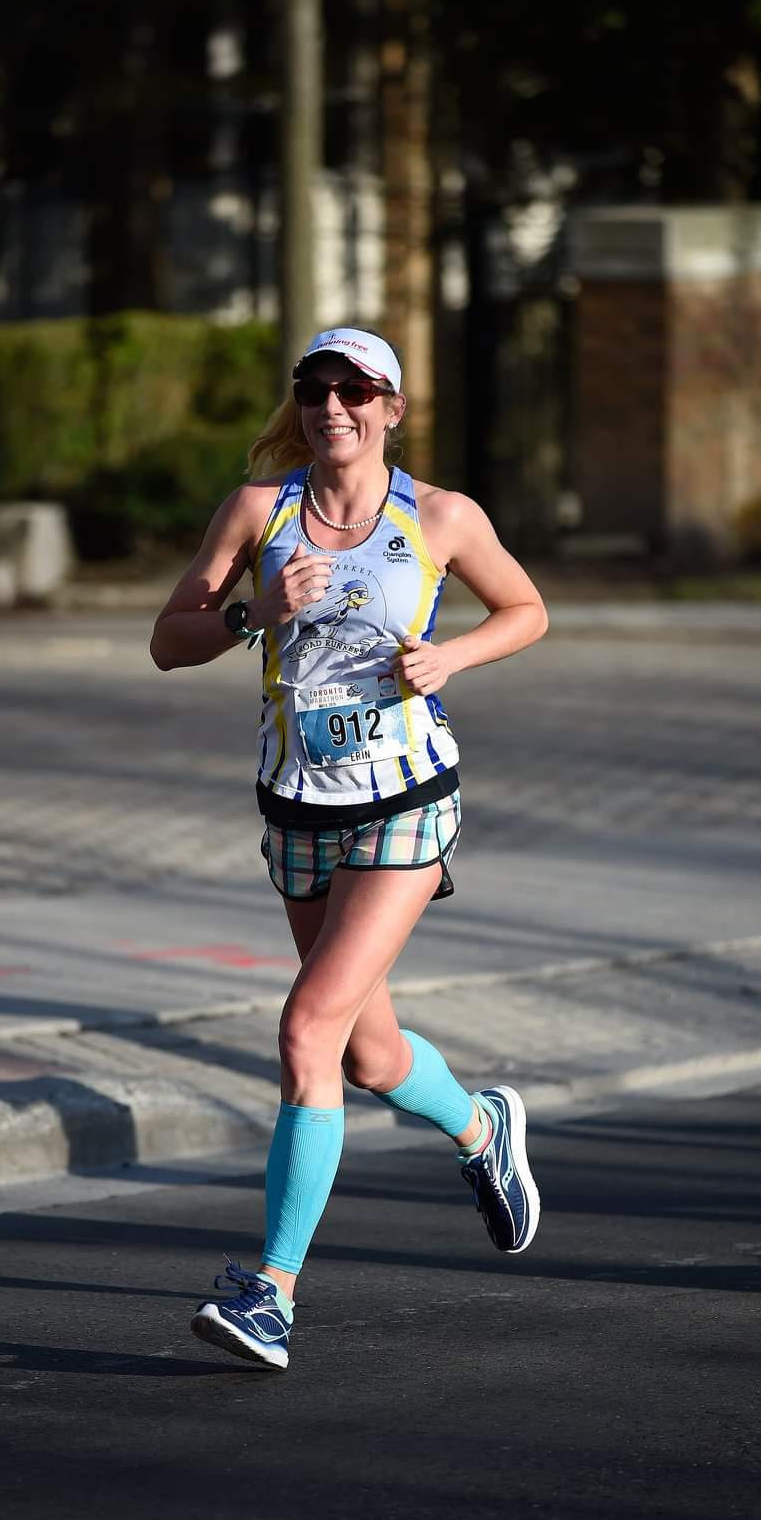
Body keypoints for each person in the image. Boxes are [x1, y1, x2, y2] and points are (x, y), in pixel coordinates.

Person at [151, 326, 549, 1370]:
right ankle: (480, 1126)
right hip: (297, 808)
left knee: (306, 1029)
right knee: (368, 1054)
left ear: (392, 408)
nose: (334, 406)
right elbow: (167, 640)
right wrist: (250, 613)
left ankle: (269, 1292)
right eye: (317, 388)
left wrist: (450, 654)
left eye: (356, 390)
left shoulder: (443, 517)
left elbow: (527, 608)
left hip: (406, 801)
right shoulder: (259, 511)